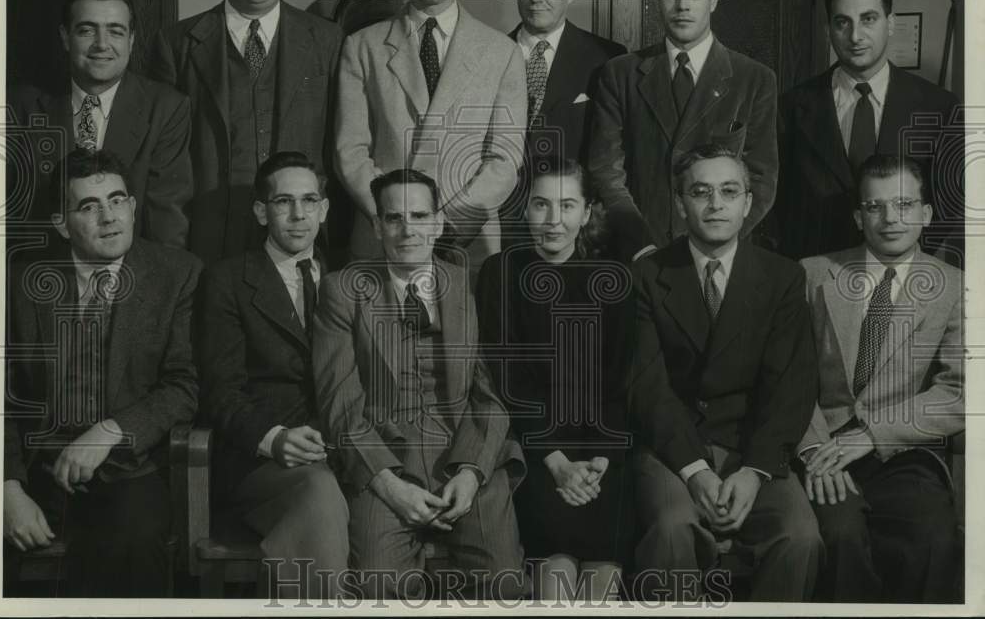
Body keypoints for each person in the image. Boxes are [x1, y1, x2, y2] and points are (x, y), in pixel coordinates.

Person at [311, 168, 525, 600]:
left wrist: (471, 471)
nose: (408, 229)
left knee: (504, 584)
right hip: (386, 461)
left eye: (419, 215)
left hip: (465, 455)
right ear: (376, 226)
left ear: (438, 222)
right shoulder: (342, 291)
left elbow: (490, 395)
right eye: (393, 218)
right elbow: (341, 404)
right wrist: (388, 484)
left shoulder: (469, 285)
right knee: (379, 585)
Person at [628, 144, 821, 601]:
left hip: (751, 450)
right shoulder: (646, 275)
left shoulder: (783, 277)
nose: (716, 204)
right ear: (680, 203)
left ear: (748, 203)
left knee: (800, 537)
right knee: (674, 527)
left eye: (729, 191)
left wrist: (754, 471)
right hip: (671, 451)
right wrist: (695, 471)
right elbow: (646, 386)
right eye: (701, 191)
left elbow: (791, 387)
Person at [3, 149, 200, 596]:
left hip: (128, 469)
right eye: (89, 207)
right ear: (61, 223)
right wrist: (7, 489)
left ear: (133, 207)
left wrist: (110, 430)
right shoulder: (19, 282)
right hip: (36, 470)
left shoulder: (177, 275)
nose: (108, 217)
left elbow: (184, 386)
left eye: (117, 201)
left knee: (133, 543)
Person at [797, 154, 963, 602]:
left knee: (933, 538)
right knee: (839, 537)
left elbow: (961, 391)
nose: (891, 218)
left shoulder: (954, 287)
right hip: (822, 449)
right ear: (858, 216)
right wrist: (813, 448)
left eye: (905, 204)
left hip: (902, 452)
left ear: (926, 215)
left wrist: (873, 433)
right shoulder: (812, 274)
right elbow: (786, 376)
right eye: (875, 207)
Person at [335, 0, 527, 276]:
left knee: (462, 334)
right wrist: (398, 219)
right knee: (380, 334)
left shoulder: (501, 51)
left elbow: (504, 160)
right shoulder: (362, 46)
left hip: (467, 241)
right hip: (383, 238)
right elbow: (350, 151)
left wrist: (445, 223)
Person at [147, 0, 343, 265]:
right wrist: (174, 257)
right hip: (209, 248)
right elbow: (163, 170)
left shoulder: (328, 41)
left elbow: (340, 150)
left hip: (304, 246)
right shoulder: (176, 45)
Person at [478, 157, 633, 600]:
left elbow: (620, 380)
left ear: (586, 213)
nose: (553, 220)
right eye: (541, 205)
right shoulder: (500, 274)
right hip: (536, 449)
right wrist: (558, 463)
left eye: (567, 206)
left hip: (603, 451)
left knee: (600, 585)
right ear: (525, 209)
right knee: (557, 586)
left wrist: (599, 461)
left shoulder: (615, 279)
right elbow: (509, 379)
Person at [197, 151, 348, 598]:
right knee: (318, 493)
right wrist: (274, 436)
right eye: (283, 202)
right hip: (263, 461)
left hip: (345, 451)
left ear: (324, 208)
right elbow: (220, 390)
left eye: (309, 201)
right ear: (262, 212)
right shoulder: (227, 281)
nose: (298, 215)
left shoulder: (349, 279)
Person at [588, 0, 778, 262]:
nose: (682, 4)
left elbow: (760, 179)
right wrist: (639, 243)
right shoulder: (620, 74)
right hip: (639, 255)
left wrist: (714, 240)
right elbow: (606, 171)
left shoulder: (754, 79)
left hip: (720, 256)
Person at [775, 0, 962, 263]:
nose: (855, 36)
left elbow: (950, 203)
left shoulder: (938, 106)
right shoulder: (792, 106)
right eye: (842, 22)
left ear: (890, 24)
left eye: (868, 19)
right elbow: (781, 199)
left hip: (903, 270)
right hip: (817, 269)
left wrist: (909, 256)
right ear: (828, 31)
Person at [10, 0, 192, 248]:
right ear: (64, 36)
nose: (102, 45)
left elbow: (167, 226)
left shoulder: (166, 108)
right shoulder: (19, 106)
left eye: (115, 32)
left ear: (131, 40)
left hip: (132, 278)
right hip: (41, 274)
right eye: (86, 31)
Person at [500, 0, 625, 247]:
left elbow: (614, 158)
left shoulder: (606, 59)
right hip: (501, 229)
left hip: (577, 233)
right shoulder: (489, 55)